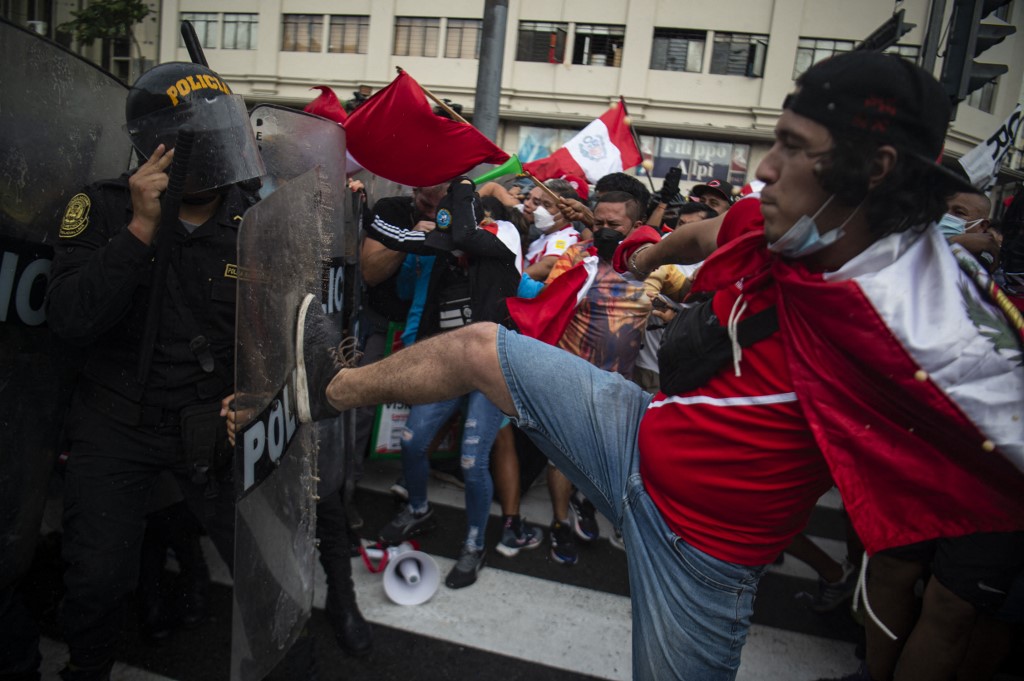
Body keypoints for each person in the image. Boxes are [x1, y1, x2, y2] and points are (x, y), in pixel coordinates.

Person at [287, 52, 1024, 681]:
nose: (764, 169)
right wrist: (649, 252)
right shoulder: (782, 220)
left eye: (793, 148)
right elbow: (710, 227)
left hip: (703, 557)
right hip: (638, 435)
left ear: (876, 168)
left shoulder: (934, 320)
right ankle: (329, 388)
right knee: (479, 346)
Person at [364, 179, 529, 589]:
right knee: (412, 441)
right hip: (444, 367)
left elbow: (520, 280)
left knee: (474, 462)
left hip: (488, 372)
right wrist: (415, 250)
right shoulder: (437, 252)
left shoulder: (498, 246)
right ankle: (418, 508)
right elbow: (402, 282)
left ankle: (474, 542)